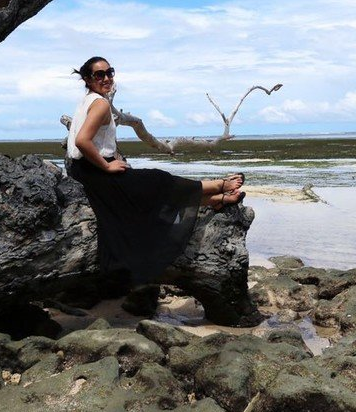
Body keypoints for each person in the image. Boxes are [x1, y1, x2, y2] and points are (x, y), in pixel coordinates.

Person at [66, 57, 245, 285]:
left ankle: (214, 200)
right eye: (99, 75)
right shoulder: (100, 104)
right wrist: (107, 165)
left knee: (150, 188)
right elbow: (82, 141)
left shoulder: (89, 100)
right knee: (158, 180)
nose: (107, 78)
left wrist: (109, 161)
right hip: (95, 172)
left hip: (83, 171)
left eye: (109, 72)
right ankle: (218, 185)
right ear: (87, 79)